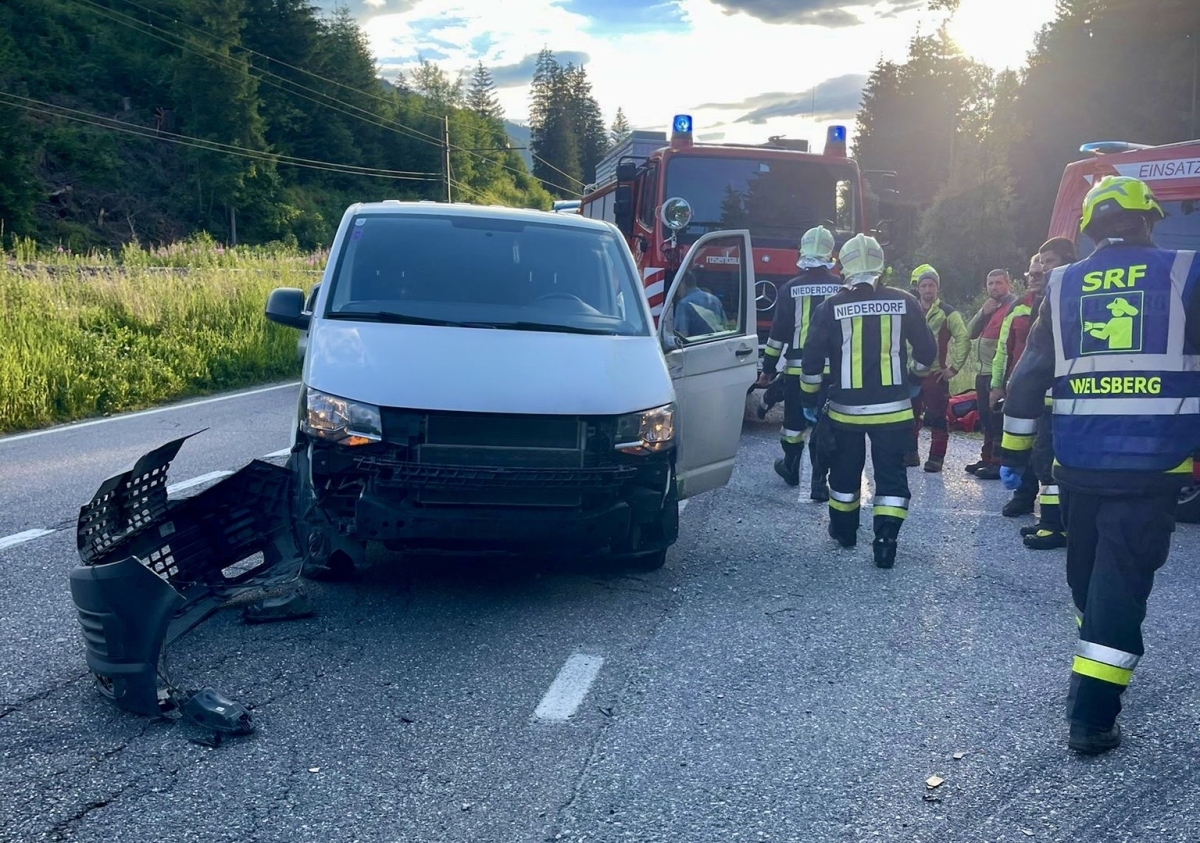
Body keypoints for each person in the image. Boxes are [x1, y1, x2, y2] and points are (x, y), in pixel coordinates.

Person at [999, 175, 1200, 754]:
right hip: (1153, 467)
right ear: (1150, 219)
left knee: (1089, 580)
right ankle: (1091, 717)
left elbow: (1028, 377)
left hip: (1078, 466)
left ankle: (1094, 686)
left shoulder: (1061, 284)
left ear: (1087, 228)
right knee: (1117, 585)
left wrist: (1014, 455)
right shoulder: (1187, 273)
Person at [800, 234, 937, 569]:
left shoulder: (829, 307)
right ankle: (886, 540)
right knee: (891, 477)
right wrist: (915, 380)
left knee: (845, 476)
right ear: (881, 265)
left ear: (844, 268)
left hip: (845, 413)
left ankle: (845, 533)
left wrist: (810, 403)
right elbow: (927, 353)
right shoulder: (906, 301)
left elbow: (811, 362)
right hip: (894, 411)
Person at [759, 226, 841, 499]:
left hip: (796, 370)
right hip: (834, 373)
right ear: (831, 254)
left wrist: (768, 370)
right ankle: (820, 481)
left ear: (803, 252)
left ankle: (791, 467)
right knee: (824, 425)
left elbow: (777, 334)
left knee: (793, 425)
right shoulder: (843, 287)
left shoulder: (790, 288)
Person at [1018, 236, 1078, 550]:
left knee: (1054, 460)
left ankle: (1058, 526)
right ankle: (1051, 521)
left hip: (1064, 396)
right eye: (1040, 264)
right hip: (1049, 396)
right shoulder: (1048, 297)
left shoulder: (1068, 297)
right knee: (1044, 460)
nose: (1042, 270)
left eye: (1049, 262)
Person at [991, 254, 1046, 517]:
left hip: (1052, 388)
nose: (1035, 278)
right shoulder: (1018, 308)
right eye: (1031, 273)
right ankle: (1023, 496)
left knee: (1046, 448)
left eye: (1040, 272)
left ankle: (1052, 509)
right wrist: (997, 385)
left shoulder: (1065, 301)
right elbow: (1003, 350)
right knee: (1019, 444)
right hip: (1021, 386)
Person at [906, 265, 969, 471]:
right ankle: (910, 454)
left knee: (938, 418)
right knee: (909, 416)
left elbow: (963, 338)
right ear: (918, 288)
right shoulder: (910, 308)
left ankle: (936, 458)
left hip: (935, 375)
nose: (927, 289)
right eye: (924, 285)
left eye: (931, 285)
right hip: (911, 373)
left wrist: (954, 368)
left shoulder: (947, 312)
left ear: (937, 288)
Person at [963, 268, 1018, 479]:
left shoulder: (1013, 305)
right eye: (991, 283)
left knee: (997, 419)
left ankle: (998, 462)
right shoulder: (990, 307)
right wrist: (982, 313)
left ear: (1008, 284)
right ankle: (986, 458)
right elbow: (970, 333)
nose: (994, 287)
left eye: (999, 283)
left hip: (1000, 372)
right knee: (986, 419)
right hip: (983, 372)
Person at [673, 268, 727, 337]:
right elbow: (725, 326)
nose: (676, 291)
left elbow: (682, 335)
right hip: (716, 344)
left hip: (695, 346)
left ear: (683, 284)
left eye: (677, 285)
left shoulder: (683, 304)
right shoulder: (715, 300)